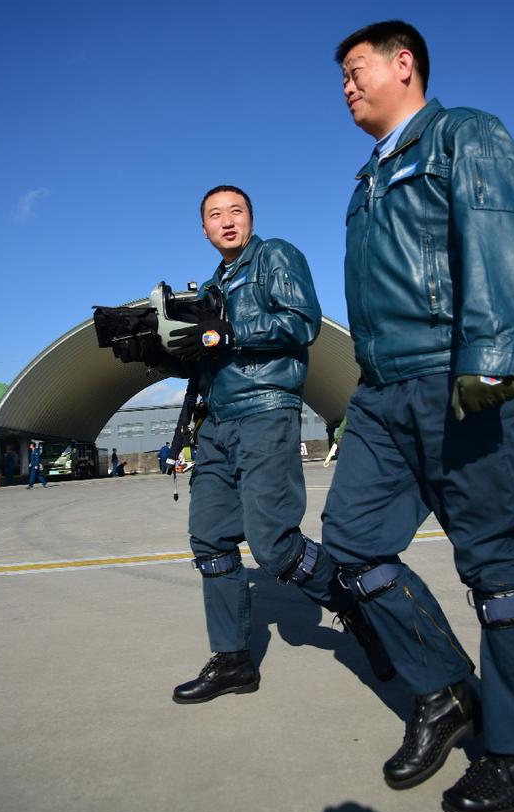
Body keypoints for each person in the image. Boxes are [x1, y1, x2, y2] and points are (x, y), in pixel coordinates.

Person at [322, 20, 514, 812]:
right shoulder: (366, 178)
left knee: (492, 567)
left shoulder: (464, 136)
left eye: (356, 70)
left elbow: (505, 235)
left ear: (404, 65)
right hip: (382, 392)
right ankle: (449, 688)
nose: (347, 86)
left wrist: (487, 362)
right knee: (352, 546)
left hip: (454, 378)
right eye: (343, 77)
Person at [166, 185, 389, 704]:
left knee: (272, 544)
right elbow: (209, 353)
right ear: (203, 229)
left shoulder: (275, 256)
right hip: (216, 425)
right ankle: (232, 660)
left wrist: (226, 331)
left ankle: (361, 609)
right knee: (211, 541)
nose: (226, 221)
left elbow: (300, 322)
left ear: (250, 217)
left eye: (235, 211)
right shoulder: (210, 289)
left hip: (266, 410)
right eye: (215, 215)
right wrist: (168, 353)